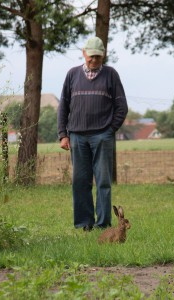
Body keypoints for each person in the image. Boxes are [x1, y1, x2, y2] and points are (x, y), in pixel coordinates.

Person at [58, 36, 128, 231]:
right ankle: (83, 224)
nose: (94, 60)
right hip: (77, 137)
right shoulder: (72, 75)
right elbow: (63, 106)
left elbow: (121, 107)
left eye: (98, 57)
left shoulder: (111, 74)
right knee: (80, 181)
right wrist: (63, 134)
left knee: (103, 181)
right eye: (91, 57)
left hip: (102, 137)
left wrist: (109, 130)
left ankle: (103, 224)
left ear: (103, 55)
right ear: (83, 53)